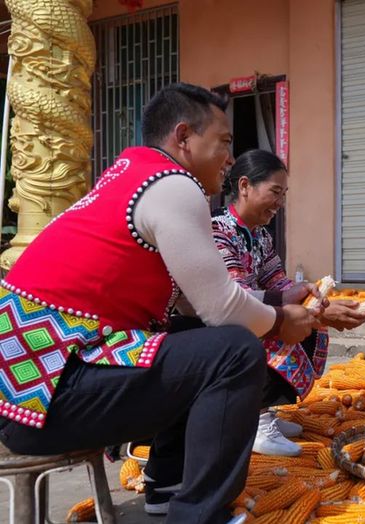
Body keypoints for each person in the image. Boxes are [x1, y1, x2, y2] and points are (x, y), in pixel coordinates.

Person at [0, 83, 318, 524]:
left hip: (33, 388)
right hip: (42, 397)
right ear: (183, 137)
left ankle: (167, 487)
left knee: (194, 341)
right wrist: (282, 320)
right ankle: (200, 514)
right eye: (224, 142)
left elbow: (192, 301)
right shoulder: (173, 185)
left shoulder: (134, 176)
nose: (230, 158)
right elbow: (222, 308)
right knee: (233, 350)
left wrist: (278, 301)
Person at [213, 149, 365, 456]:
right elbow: (237, 294)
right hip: (226, 324)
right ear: (244, 186)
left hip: (254, 311)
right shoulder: (218, 229)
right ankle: (254, 421)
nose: (279, 204)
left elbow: (278, 282)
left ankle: (264, 409)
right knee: (281, 329)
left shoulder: (260, 235)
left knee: (310, 328)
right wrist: (302, 307)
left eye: (283, 194)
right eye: (275, 192)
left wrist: (316, 301)